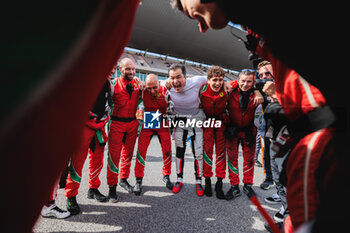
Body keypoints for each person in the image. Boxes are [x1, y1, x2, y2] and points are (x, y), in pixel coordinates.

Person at [64, 80, 110, 215]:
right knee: (77, 163)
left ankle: (93, 189)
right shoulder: (88, 76)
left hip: (100, 126)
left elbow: (109, 103)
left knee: (97, 161)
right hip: (83, 125)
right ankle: (70, 196)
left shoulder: (108, 83)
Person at [166, 64, 207, 196]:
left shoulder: (197, 81)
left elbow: (216, 78)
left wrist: (230, 84)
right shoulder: (166, 84)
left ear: (185, 77)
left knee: (198, 151)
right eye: (172, 78)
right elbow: (149, 84)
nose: (175, 81)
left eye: (178, 77)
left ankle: (198, 180)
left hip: (196, 117)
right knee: (179, 150)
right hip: (179, 118)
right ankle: (179, 179)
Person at [108, 58, 142, 200]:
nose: (131, 71)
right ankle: (112, 187)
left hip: (132, 124)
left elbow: (142, 100)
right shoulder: (113, 84)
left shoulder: (138, 84)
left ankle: (123, 179)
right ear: (120, 69)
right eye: (128, 69)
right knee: (114, 157)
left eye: (133, 69)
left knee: (127, 154)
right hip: (116, 123)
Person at [133, 74, 173, 195]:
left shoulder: (166, 89)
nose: (152, 91)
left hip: (162, 120)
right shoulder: (143, 89)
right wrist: (136, 81)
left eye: (154, 87)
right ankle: (138, 179)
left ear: (159, 84)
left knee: (167, 150)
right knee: (141, 150)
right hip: (149, 119)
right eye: (149, 88)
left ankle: (166, 175)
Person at [225, 69, 261, 200]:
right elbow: (225, 84)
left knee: (249, 160)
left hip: (249, 131)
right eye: (243, 81)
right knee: (232, 159)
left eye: (249, 81)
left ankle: (247, 185)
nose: (245, 84)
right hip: (232, 130)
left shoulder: (257, 93)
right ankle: (234, 186)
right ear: (238, 80)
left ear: (253, 83)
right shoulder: (230, 90)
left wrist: (257, 90)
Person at [200, 66, 227, 199]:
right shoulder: (202, 90)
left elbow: (238, 82)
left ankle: (220, 183)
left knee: (221, 154)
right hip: (207, 124)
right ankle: (208, 181)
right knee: (207, 153)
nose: (218, 83)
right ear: (209, 80)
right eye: (215, 80)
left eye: (221, 80)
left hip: (221, 123)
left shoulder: (226, 89)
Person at [256, 61, 275, 190]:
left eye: (267, 73)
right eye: (261, 74)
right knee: (266, 153)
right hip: (267, 126)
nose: (263, 77)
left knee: (280, 154)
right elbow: (246, 80)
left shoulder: (285, 85)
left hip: (284, 126)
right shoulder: (259, 86)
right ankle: (269, 177)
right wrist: (257, 92)